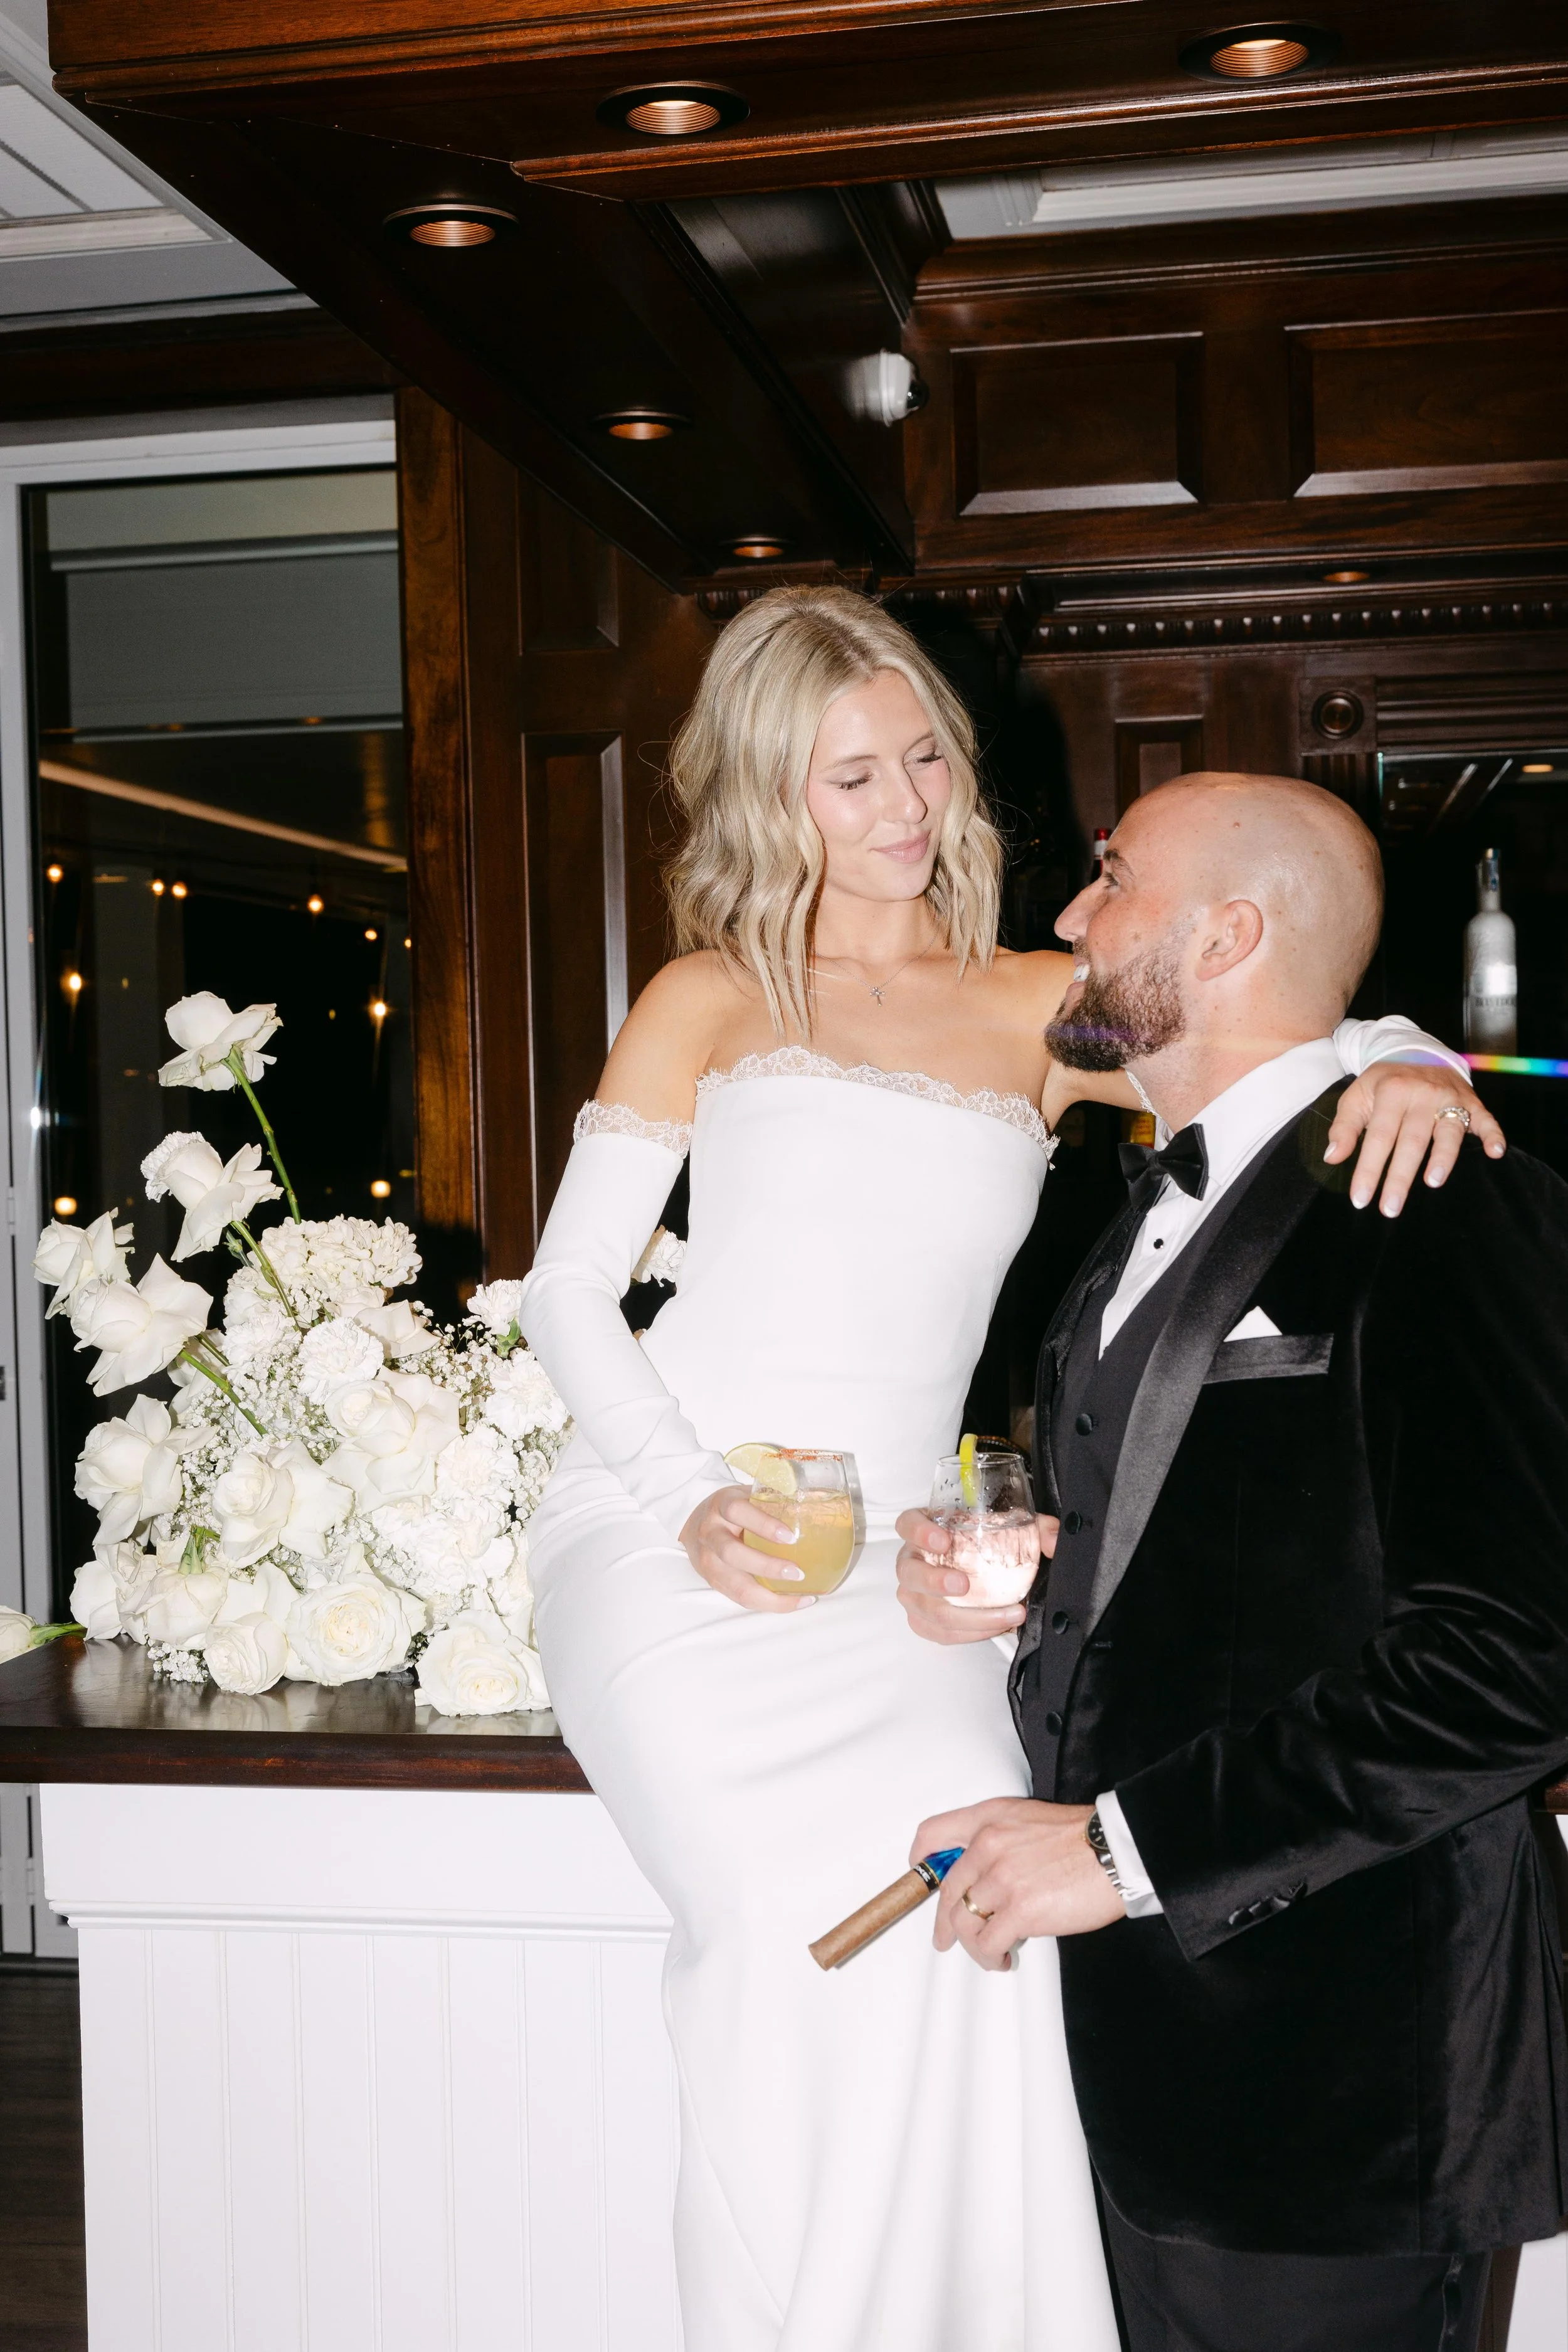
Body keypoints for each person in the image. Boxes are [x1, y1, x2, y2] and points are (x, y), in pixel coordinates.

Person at [517, 590, 1499, 2352]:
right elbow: (571, 1290)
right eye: (847, 779)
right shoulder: (709, 994)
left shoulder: (1044, 1008)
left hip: (910, 1567)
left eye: (920, 761)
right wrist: (679, 1492)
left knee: (969, 1905)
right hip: (677, 1528)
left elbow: (1254, 1032)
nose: (903, 807)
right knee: (776, 1914)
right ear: (765, 794)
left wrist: (1405, 1054)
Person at [899, 769, 1568, 2352]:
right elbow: (1181, 1572)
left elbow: (1511, 1667)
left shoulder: (1440, 1201)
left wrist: (1115, 1852)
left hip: (1329, 2079)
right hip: (1126, 2066)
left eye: (1110, 877)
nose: (1066, 915)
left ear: (1228, 936)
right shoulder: (1123, 1221)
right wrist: (1008, 1598)